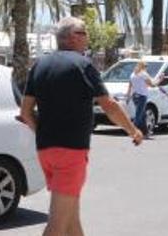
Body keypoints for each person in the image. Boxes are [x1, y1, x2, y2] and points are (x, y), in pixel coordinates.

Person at [19, 16, 143, 236]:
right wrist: (133, 130)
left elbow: (25, 113)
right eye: (84, 32)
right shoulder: (83, 64)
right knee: (57, 226)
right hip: (71, 152)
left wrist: (43, 132)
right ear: (72, 38)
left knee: (70, 219)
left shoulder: (40, 65)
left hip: (45, 151)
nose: (87, 37)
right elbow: (109, 105)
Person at [129, 60, 160, 137]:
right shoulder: (144, 74)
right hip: (142, 96)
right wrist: (160, 79)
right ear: (143, 66)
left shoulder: (133, 74)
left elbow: (130, 85)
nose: (146, 67)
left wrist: (128, 95)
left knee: (142, 115)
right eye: (146, 66)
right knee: (139, 115)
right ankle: (133, 131)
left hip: (135, 95)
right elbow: (152, 84)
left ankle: (145, 133)